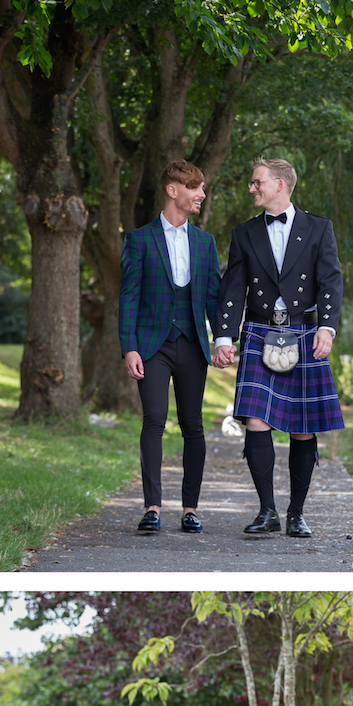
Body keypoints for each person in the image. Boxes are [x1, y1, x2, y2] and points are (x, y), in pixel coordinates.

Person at [212, 158, 344, 538]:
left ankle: (296, 513)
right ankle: (267, 509)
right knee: (256, 420)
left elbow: (331, 281)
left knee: (303, 428)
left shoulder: (319, 228)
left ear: (280, 184)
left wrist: (327, 328)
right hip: (258, 330)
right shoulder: (245, 233)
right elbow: (233, 287)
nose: (252, 188)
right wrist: (224, 337)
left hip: (304, 331)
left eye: (257, 182)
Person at [119, 159, 223, 536]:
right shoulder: (140, 239)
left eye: (202, 188)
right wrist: (129, 347)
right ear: (173, 190)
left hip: (194, 344)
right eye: (195, 187)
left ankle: (190, 509)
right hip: (152, 345)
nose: (201, 194)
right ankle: (152, 508)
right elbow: (128, 297)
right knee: (154, 420)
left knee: (193, 425)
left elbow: (214, 297)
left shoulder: (205, 242)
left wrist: (222, 340)